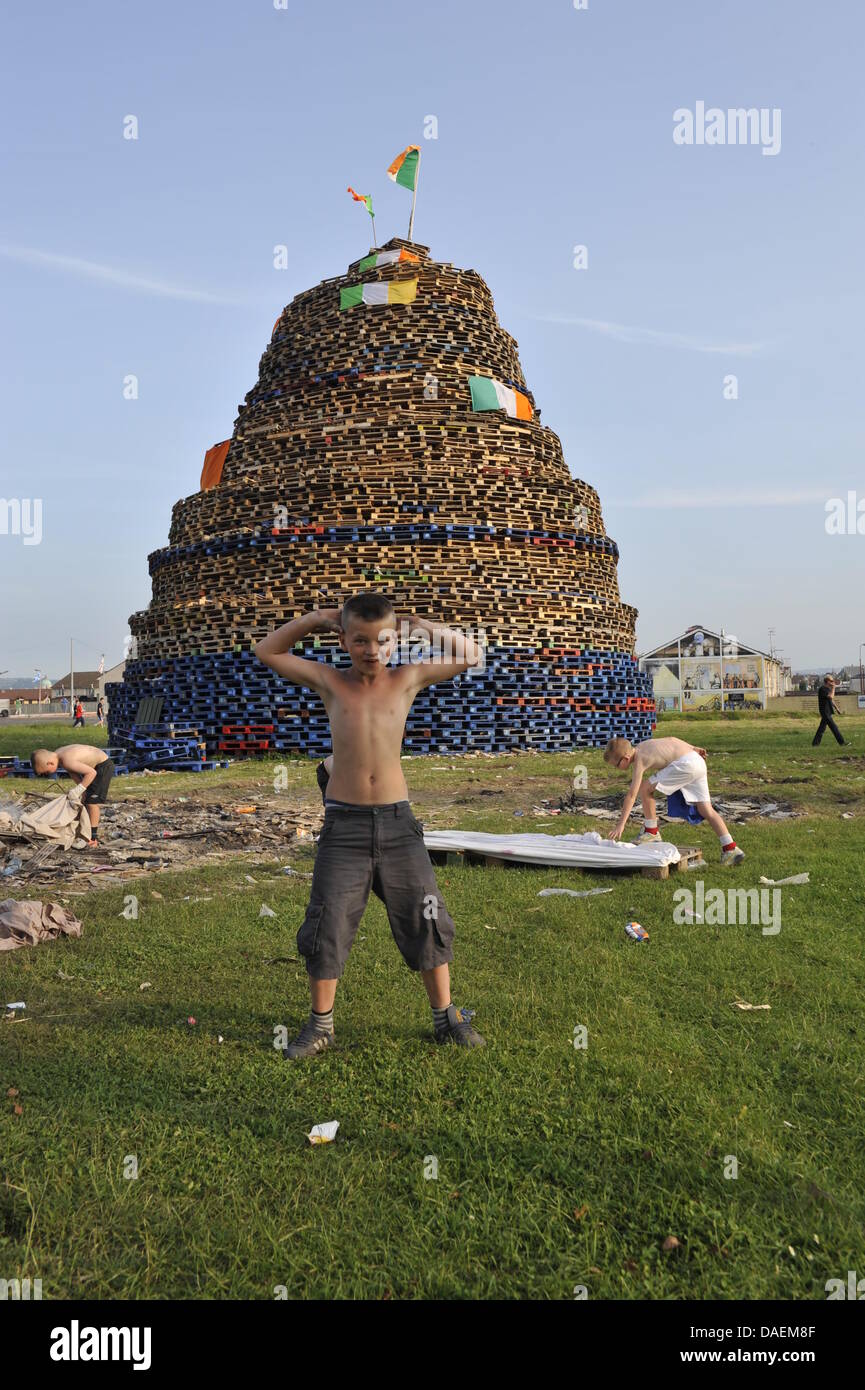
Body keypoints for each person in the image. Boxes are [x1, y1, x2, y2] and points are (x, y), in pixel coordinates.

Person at [254, 593, 486, 1058]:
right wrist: (316, 618)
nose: (371, 650)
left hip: (399, 826)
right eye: (359, 640)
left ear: (394, 640)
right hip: (345, 827)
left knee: (427, 918)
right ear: (343, 640)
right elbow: (268, 651)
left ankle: (445, 1018)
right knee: (329, 921)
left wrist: (420, 625)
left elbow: (470, 654)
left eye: (382, 640)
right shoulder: (331, 683)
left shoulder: (406, 679)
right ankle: (321, 1027)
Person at [603, 733, 745, 865]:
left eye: (616, 765)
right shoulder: (644, 745)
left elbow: (631, 795)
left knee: (645, 788)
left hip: (686, 765)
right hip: (697, 761)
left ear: (626, 758)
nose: (616, 768)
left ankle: (651, 831)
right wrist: (692, 748)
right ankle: (730, 848)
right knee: (705, 809)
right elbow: (672, 740)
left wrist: (620, 825)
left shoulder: (640, 759)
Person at [30, 745, 115, 847]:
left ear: (50, 763)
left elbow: (92, 773)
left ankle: (92, 838)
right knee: (85, 799)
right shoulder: (58, 754)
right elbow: (73, 772)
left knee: (91, 802)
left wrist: (79, 789)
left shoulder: (66, 760)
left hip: (102, 766)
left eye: (46, 773)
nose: (48, 775)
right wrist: (81, 790)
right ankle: (84, 829)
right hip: (94, 767)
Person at [812, 675, 846, 746]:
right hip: (825, 712)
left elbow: (831, 700)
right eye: (831, 681)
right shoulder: (822, 689)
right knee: (834, 727)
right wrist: (833, 688)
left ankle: (815, 744)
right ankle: (842, 743)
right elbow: (831, 696)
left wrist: (837, 708)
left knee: (821, 729)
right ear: (827, 681)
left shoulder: (827, 689)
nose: (833, 682)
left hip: (828, 711)